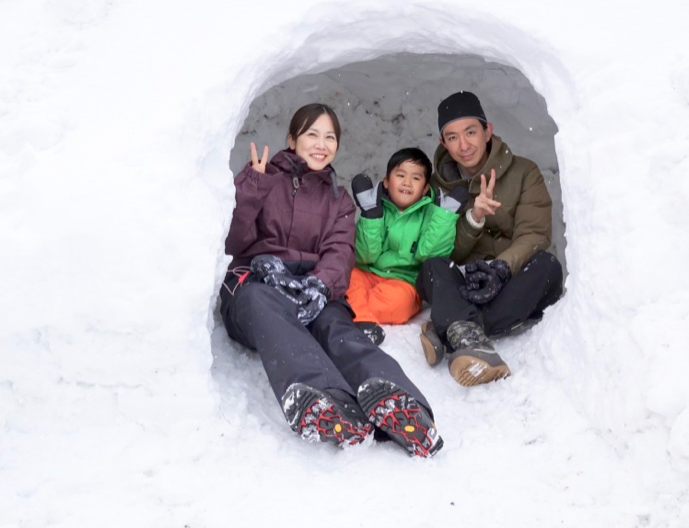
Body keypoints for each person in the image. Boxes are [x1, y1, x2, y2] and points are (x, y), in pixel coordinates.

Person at [220, 103, 443, 457]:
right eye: (312, 134)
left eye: (329, 137)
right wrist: (252, 189)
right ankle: (329, 403)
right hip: (257, 285)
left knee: (339, 330)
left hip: (311, 289)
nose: (321, 144)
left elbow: (340, 252)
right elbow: (233, 242)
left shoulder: (338, 201)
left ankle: (404, 406)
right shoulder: (264, 180)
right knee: (263, 303)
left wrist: (320, 285)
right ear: (292, 139)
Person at [416, 91, 564, 387]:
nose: (464, 145)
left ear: (488, 131)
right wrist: (474, 218)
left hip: (512, 281)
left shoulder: (525, 172)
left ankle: (454, 327)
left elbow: (535, 234)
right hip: (468, 284)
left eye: (471, 132)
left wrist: (500, 268)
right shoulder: (437, 187)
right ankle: (468, 331)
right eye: (453, 137)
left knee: (547, 266)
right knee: (431, 267)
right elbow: (446, 252)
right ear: (443, 143)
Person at [346, 147, 469, 326]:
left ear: (425, 188)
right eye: (400, 175)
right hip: (366, 273)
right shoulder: (374, 206)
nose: (407, 183)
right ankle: (362, 317)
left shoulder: (432, 214)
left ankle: (357, 315)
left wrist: (445, 217)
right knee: (344, 280)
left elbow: (428, 256)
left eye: (416, 178)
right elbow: (365, 256)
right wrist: (371, 215)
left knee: (398, 303)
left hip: (402, 281)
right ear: (386, 181)